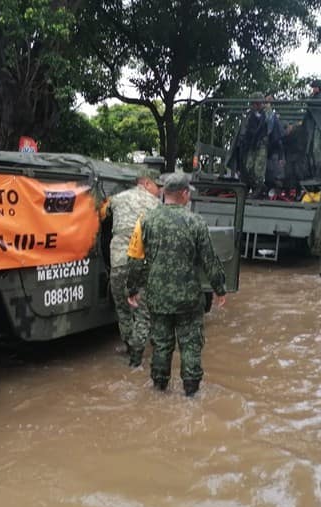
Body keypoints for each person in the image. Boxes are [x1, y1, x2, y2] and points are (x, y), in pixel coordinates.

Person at [126, 173, 226, 397]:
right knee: (191, 345)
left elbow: (134, 259)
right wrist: (220, 289)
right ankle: (191, 395)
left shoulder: (145, 220)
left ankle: (159, 390)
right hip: (188, 299)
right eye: (188, 192)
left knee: (161, 345)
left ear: (164, 193)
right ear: (183, 194)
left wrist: (132, 289)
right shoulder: (196, 222)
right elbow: (210, 260)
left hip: (158, 297)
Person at [103, 170, 162, 367]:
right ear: (146, 183)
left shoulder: (116, 199)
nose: (159, 190)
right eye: (157, 186)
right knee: (145, 311)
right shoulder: (156, 205)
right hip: (143, 264)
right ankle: (143, 351)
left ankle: (129, 347)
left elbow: (102, 214)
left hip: (118, 263)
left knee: (122, 308)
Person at [239, 92, 269, 199]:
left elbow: (269, 124)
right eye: (254, 104)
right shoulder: (250, 115)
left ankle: (259, 189)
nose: (255, 106)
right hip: (251, 144)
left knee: (258, 169)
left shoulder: (266, 114)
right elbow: (246, 130)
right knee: (248, 168)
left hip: (261, 145)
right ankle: (259, 188)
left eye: (257, 104)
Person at [264, 95, 285, 192]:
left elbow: (277, 136)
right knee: (269, 170)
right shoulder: (267, 115)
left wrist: (281, 156)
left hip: (273, 148)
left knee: (274, 171)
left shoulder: (273, 117)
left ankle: (275, 188)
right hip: (269, 148)